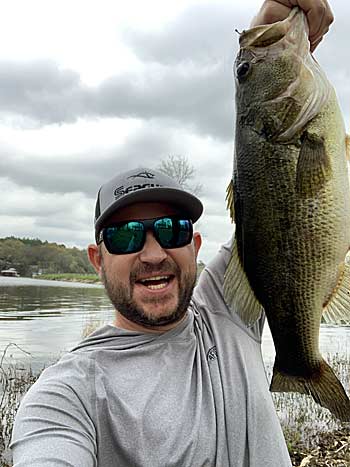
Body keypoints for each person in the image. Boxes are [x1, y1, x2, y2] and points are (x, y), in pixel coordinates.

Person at [10, 1, 334, 466]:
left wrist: (274, 21)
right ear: (96, 258)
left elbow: (276, 214)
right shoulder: (66, 395)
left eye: (171, 229)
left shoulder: (228, 311)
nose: (153, 251)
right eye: (124, 236)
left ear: (195, 246)